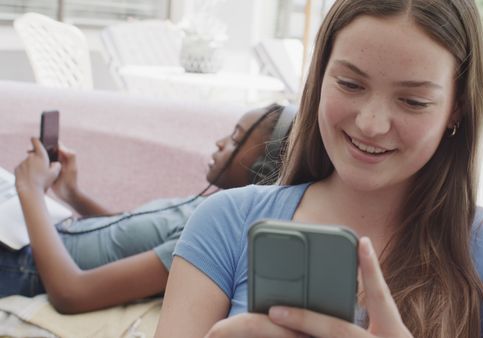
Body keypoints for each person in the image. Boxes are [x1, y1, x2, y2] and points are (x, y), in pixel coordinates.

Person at [156, 0, 483, 337]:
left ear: (456, 110)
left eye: (413, 101)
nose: (371, 124)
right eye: (350, 84)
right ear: (320, 78)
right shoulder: (224, 224)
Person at [3, 103, 293, 314]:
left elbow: (71, 293)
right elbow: (125, 231)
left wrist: (30, 191)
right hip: (40, 236)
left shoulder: (211, 237)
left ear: (262, 170)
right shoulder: (210, 205)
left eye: (235, 140)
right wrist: (72, 194)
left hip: (23, 265)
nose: (219, 143)